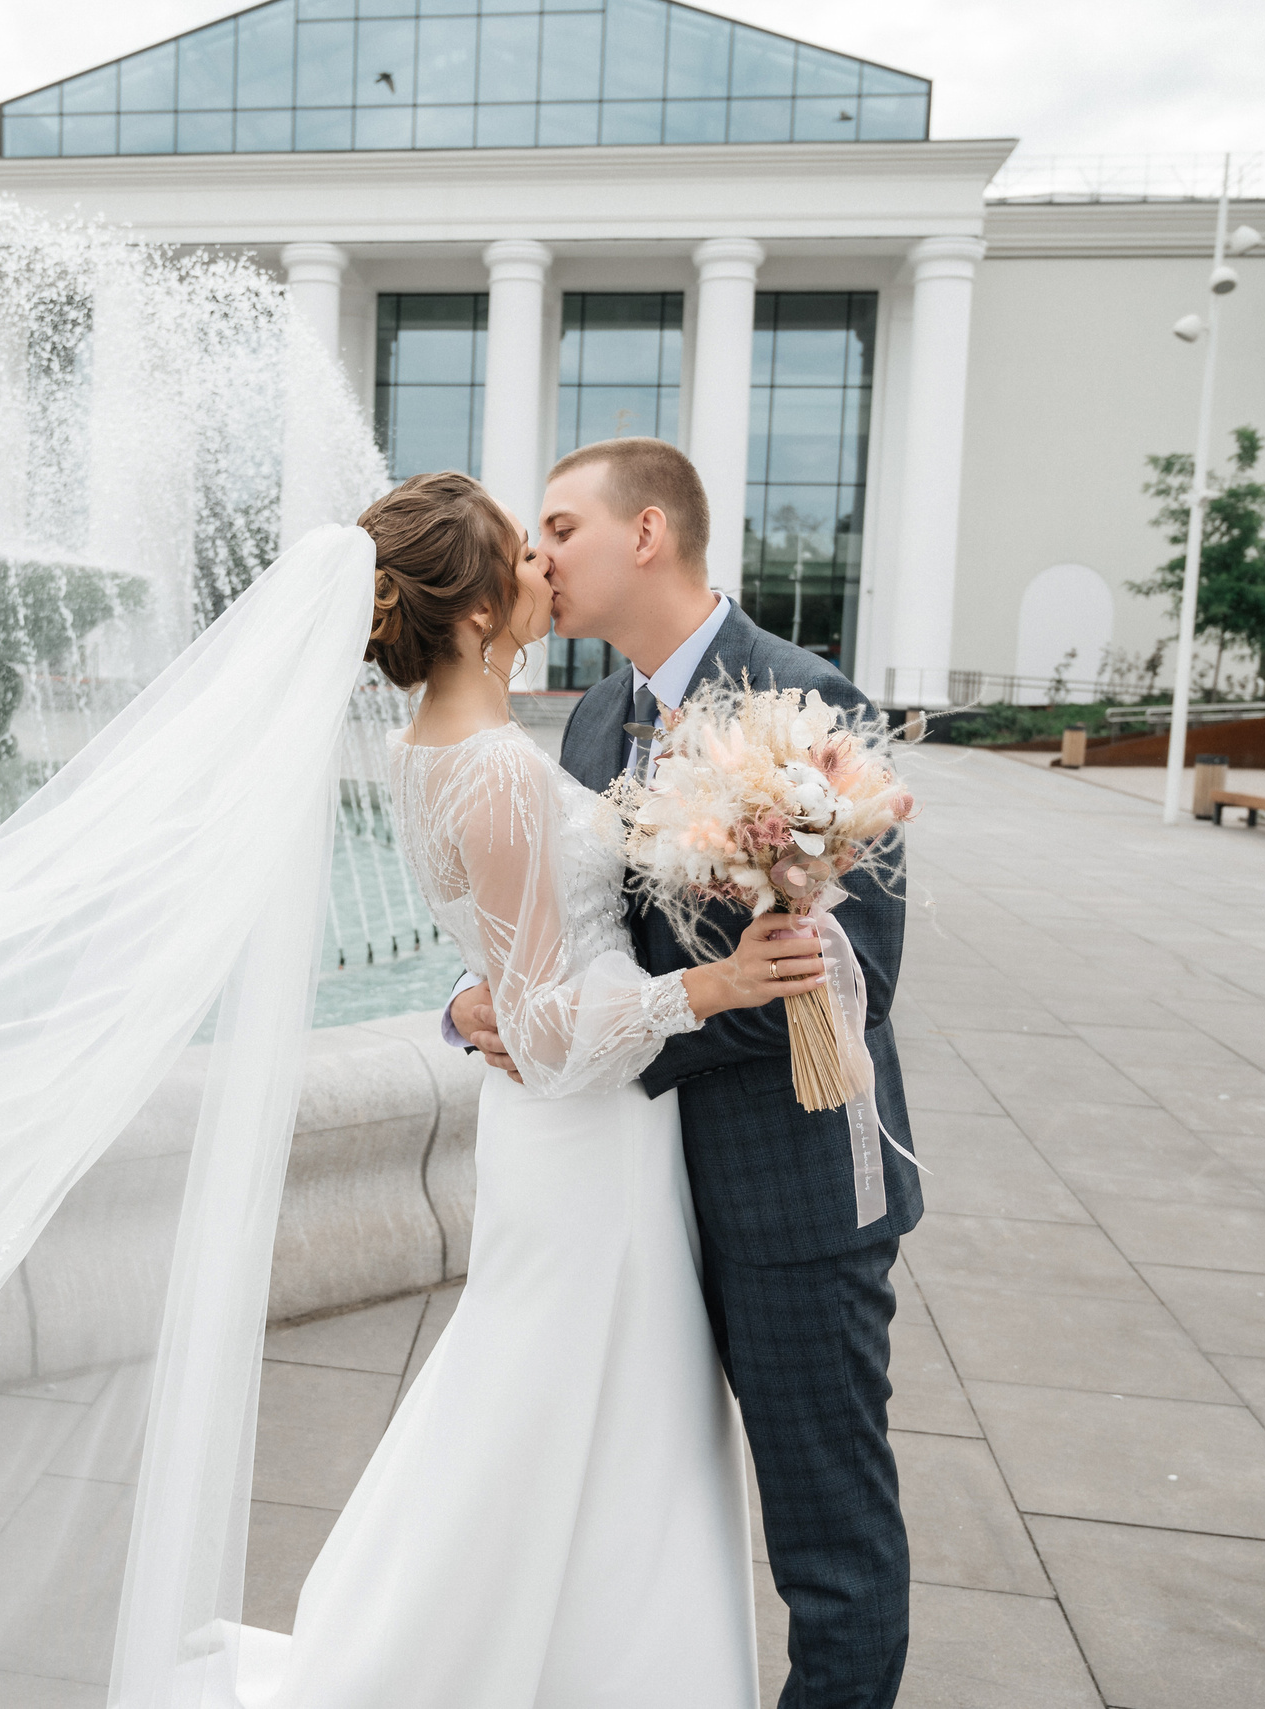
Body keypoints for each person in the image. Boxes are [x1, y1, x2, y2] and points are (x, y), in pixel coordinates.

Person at [223, 470, 825, 1709]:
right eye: (522, 551)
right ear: (474, 609)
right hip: (581, 1138)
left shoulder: (442, 746)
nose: (544, 567)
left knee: (575, 1411)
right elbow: (549, 1030)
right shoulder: (488, 763)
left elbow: (512, 963)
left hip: (586, 1134)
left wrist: (469, 995)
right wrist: (719, 987)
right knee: (564, 1407)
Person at [447, 439, 922, 1709]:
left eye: (560, 526)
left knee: (826, 1539)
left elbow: (841, 970)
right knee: (647, 1509)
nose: (535, 555)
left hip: (789, 1188)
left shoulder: (806, 698)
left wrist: (621, 1030)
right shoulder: (596, 717)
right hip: (636, 1199)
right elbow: (555, 932)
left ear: (645, 533)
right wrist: (485, 1007)